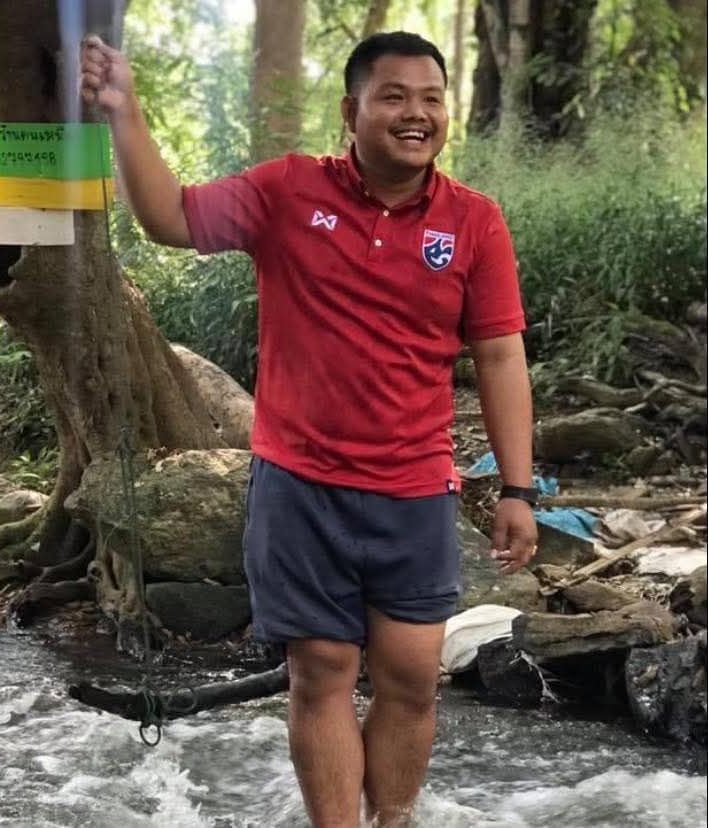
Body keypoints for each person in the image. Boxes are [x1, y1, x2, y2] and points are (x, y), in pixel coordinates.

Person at [81, 29, 538, 828]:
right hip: (299, 485)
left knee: (411, 679)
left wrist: (518, 488)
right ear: (351, 112)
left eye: (431, 100)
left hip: (414, 489)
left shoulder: (474, 221)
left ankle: (391, 821)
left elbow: (500, 357)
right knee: (320, 671)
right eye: (394, 97)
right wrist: (124, 110)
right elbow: (171, 217)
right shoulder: (288, 190)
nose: (416, 114)